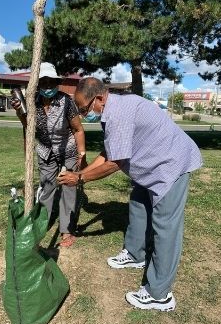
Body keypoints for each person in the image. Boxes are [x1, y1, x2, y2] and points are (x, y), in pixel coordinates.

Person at [57, 77, 203, 310]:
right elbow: (109, 151)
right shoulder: (111, 109)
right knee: (138, 203)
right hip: (150, 168)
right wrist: (82, 173)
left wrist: (81, 178)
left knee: (165, 228)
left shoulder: (118, 114)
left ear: (100, 99)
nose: (84, 115)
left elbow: (116, 162)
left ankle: (160, 294)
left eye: (85, 109)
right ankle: (136, 255)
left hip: (171, 166)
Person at [11, 64, 87, 248]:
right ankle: (41, 224)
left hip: (67, 148)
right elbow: (28, 127)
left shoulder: (66, 101)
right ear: (37, 84)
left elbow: (77, 129)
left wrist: (81, 153)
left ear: (56, 83)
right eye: (43, 82)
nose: (47, 86)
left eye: (51, 82)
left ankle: (67, 229)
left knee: (68, 186)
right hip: (45, 150)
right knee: (47, 187)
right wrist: (19, 111)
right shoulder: (32, 101)